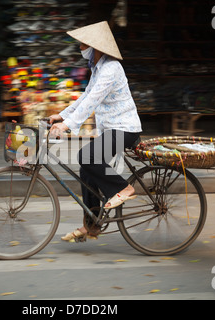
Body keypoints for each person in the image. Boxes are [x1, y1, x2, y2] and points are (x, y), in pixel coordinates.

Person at [49, 21, 143, 242]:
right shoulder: (98, 68)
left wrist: (68, 125)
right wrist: (62, 115)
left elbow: (92, 101)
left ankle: (123, 188)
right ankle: (93, 224)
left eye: (83, 44)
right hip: (111, 128)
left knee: (87, 156)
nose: (80, 48)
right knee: (86, 170)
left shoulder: (111, 69)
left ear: (96, 47)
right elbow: (85, 96)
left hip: (125, 128)